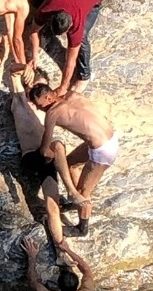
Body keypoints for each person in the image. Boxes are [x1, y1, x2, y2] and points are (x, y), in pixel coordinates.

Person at [9, 66, 86, 249]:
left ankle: (60, 249)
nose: (38, 91)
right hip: (31, 157)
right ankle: (71, 191)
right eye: (35, 86)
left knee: (52, 206)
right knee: (58, 144)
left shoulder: (49, 108)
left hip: (46, 159)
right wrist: (24, 67)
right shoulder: (20, 101)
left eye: (42, 87)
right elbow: (13, 72)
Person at [29, 84, 118, 236]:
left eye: (40, 106)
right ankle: (74, 201)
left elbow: (45, 151)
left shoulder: (52, 113)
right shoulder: (73, 95)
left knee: (85, 191)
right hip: (110, 138)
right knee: (70, 163)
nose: (39, 109)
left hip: (102, 151)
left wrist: (53, 155)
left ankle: (82, 228)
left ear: (49, 98)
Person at [25, 0, 103, 95]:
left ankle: (84, 76)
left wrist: (63, 87)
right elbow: (34, 31)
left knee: (82, 37)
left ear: (71, 25)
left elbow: (71, 60)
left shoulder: (77, 24)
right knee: (33, 1)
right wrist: (35, 55)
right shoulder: (47, 8)